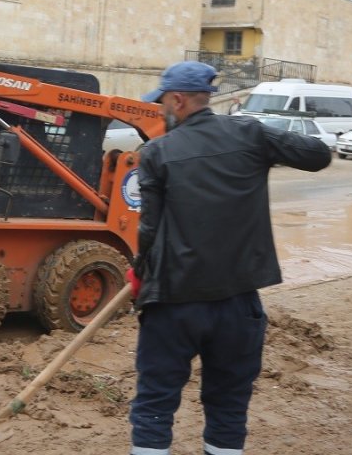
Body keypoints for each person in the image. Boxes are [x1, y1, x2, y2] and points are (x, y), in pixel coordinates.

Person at [128, 61, 331, 455]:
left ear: (178, 100)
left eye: (163, 104)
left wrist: (139, 275)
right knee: (228, 407)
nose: (161, 111)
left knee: (155, 404)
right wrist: (263, 138)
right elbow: (318, 155)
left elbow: (148, 231)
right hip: (238, 304)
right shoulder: (250, 134)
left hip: (174, 303)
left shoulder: (157, 152)